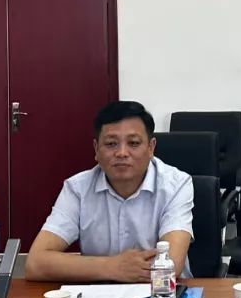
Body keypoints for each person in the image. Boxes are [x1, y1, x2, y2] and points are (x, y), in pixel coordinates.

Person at [25, 100, 193, 282]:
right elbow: (35, 263)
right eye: (111, 144)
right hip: (96, 294)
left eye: (133, 143)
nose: (122, 153)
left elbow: (170, 265)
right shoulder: (77, 188)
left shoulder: (176, 185)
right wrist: (112, 267)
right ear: (96, 149)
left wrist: (85, 266)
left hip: (162, 294)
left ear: (151, 147)